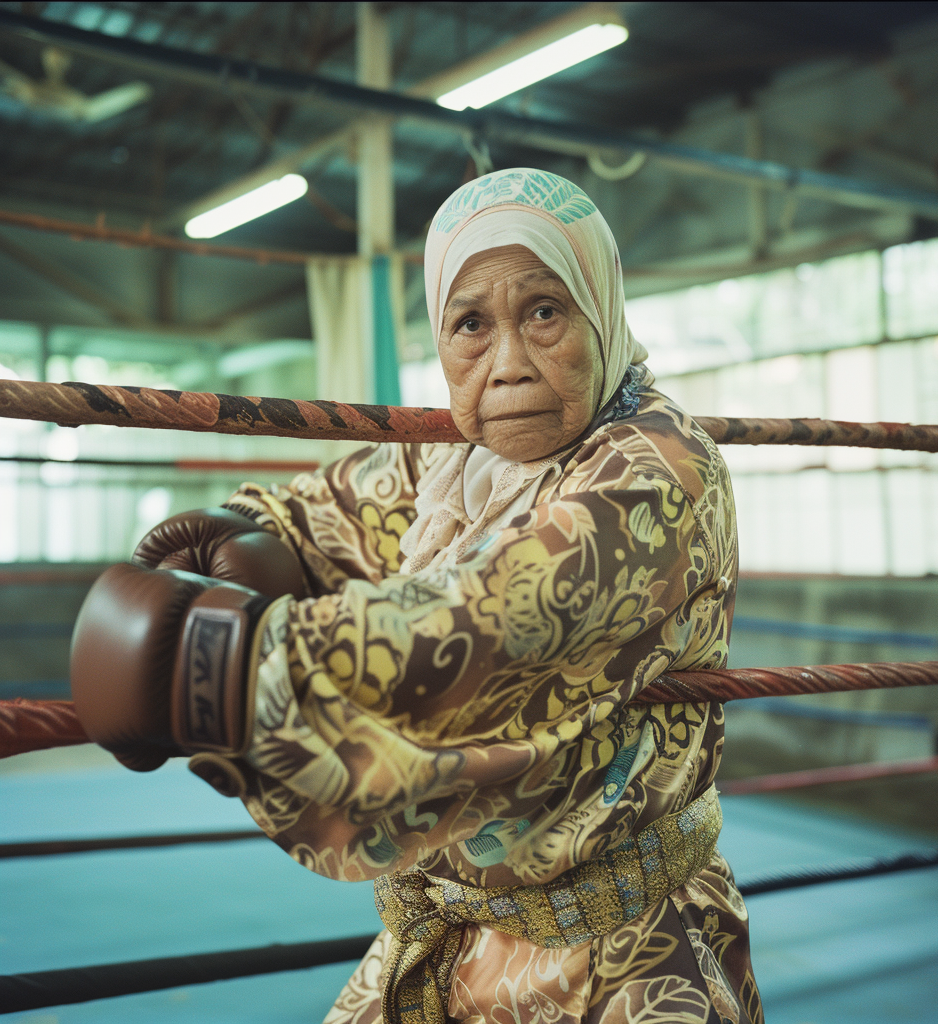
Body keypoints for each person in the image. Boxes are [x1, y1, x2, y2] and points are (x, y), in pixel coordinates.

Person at [71, 168, 761, 1024]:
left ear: (601, 309)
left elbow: (489, 624)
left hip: (624, 955)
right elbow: (325, 511)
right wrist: (235, 539)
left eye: (544, 312)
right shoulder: (457, 461)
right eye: (471, 324)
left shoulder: (657, 468)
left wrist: (222, 661)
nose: (507, 365)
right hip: (444, 937)